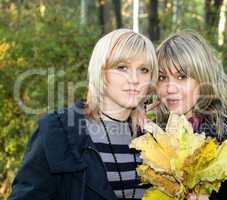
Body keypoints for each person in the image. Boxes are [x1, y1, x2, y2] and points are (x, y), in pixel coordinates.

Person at [8, 28, 159, 200]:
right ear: (101, 72)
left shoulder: (155, 139)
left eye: (144, 70)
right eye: (122, 67)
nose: (134, 79)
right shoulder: (58, 131)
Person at [146, 31, 227, 200]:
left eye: (182, 76)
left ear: (203, 79)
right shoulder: (154, 141)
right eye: (162, 77)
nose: (170, 88)